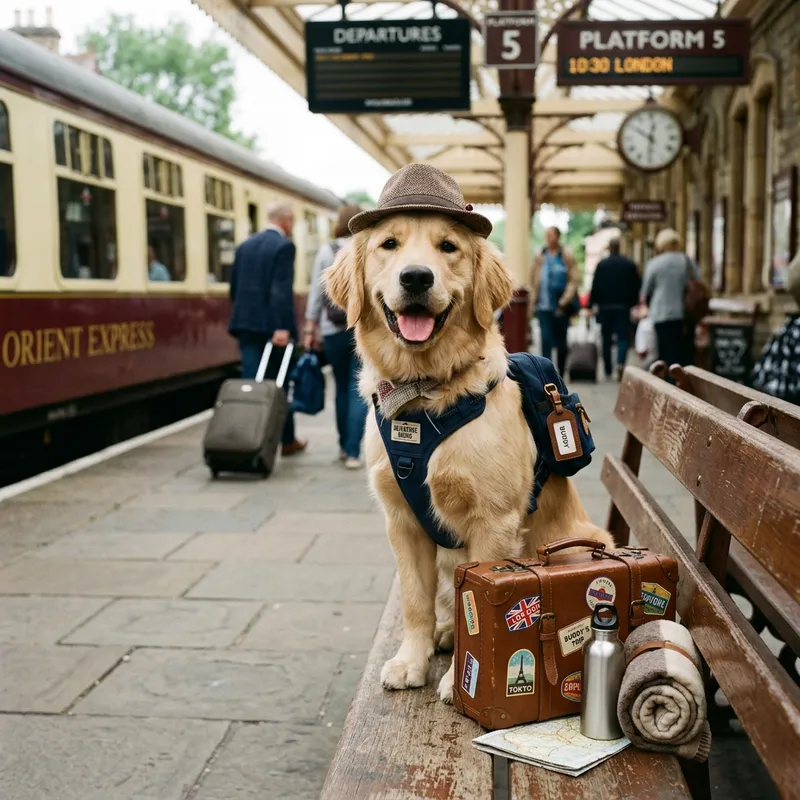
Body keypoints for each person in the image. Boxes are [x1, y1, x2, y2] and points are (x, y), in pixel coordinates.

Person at [228, 200, 307, 457]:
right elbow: (280, 291)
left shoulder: (244, 246)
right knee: (278, 385)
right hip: (273, 330)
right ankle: (280, 441)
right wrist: (282, 327)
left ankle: (247, 438)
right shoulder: (284, 246)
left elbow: (234, 288)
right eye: (292, 221)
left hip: (245, 325)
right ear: (285, 221)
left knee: (252, 384)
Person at [303, 204, 368, 470]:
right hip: (362, 329)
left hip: (332, 331)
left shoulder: (326, 251)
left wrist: (310, 326)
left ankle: (344, 446)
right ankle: (353, 451)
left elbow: (317, 292)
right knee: (359, 390)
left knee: (341, 388)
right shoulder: (367, 247)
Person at [641, 228, 698, 369]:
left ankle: (668, 381)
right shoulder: (687, 261)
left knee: (665, 352)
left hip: (661, 314)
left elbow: (645, 291)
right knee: (683, 353)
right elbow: (697, 283)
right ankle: (682, 382)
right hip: (684, 314)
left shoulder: (654, 263)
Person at [529, 226, 580, 374]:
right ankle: (547, 374)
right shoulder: (540, 256)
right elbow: (533, 279)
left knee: (562, 343)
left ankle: (561, 373)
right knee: (545, 340)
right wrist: (532, 302)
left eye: (551, 235)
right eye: (547, 235)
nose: (548, 238)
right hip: (543, 306)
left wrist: (566, 299)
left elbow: (574, 280)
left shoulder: (566, 256)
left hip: (561, 307)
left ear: (558, 237)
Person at [589, 238, 641, 381]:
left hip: (605, 308)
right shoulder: (629, 265)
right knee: (623, 337)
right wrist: (633, 302)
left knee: (606, 339)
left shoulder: (602, 265)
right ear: (620, 247)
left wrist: (592, 304)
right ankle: (620, 363)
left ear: (609, 249)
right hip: (623, 307)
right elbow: (636, 285)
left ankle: (607, 369)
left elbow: (595, 286)